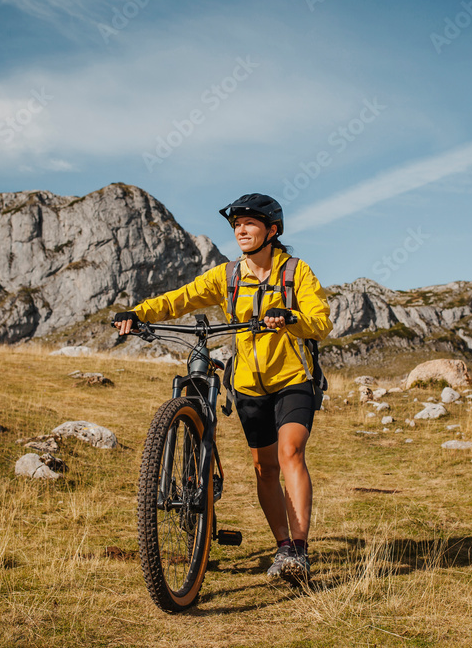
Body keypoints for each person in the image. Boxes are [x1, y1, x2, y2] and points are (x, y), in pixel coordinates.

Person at [113, 193, 332, 582]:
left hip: (292, 381)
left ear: (272, 230)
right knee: (264, 468)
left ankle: (299, 551)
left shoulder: (295, 272)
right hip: (247, 385)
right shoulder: (228, 276)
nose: (241, 231)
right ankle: (283, 548)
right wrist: (138, 313)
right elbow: (181, 298)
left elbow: (320, 321)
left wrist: (290, 316)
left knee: (289, 453)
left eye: (249, 223)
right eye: (236, 225)